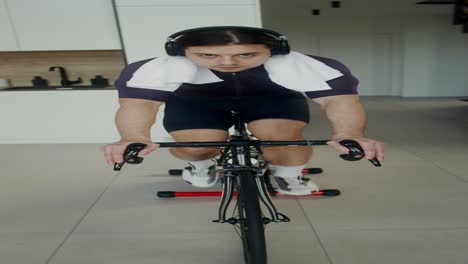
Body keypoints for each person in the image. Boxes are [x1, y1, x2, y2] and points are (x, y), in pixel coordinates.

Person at [101, 26, 384, 195]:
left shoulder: (308, 66)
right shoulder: (154, 70)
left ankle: (289, 173)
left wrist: (350, 133)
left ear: (273, 50)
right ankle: (198, 166)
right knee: (197, 147)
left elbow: (340, 102)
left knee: (280, 139)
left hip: (273, 98)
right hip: (196, 101)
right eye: (208, 55)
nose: (228, 62)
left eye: (246, 54)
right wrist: (131, 136)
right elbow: (139, 105)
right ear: (182, 53)